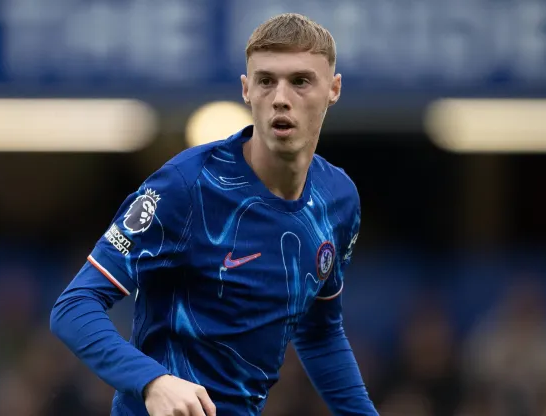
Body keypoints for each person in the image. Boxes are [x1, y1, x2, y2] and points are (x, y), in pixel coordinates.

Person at [50, 12, 378, 416]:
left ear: (334, 88)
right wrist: (152, 381)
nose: (280, 96)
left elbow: (321, 332)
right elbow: (74, 306)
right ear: (246, 90)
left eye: (300, 81)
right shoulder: (185, 187)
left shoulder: (338, 199)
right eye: (265, 80)